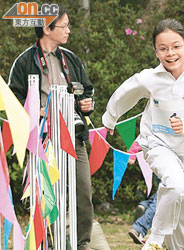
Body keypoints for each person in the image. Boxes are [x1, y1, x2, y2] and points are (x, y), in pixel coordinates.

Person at [102, 18, 184, 250]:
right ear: (156, 51)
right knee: (175, 185)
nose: (171, 53)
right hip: (157, 143)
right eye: (163, 48)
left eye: (176, 46)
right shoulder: (151, 78)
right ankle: (155, 240)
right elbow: (125, 93)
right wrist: (110, 118)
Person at [8, 6, 95, 250]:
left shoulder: (71, 58)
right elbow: (12, 101)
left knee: (83, 193)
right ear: (46, 29)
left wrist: (87, 104)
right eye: (64, 26)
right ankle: (48, 242)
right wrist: (36, 112)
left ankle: (82, 244)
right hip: (41, 138)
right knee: (45, 195)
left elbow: (86, 91)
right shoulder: (24, 61)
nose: (68, 30)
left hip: (73, 135)